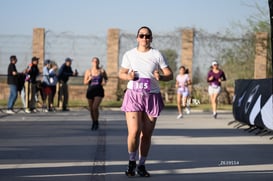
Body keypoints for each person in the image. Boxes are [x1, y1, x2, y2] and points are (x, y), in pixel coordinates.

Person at [119, 26, 173, 177]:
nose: (144, 38)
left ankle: (141, 165)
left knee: (146, 135)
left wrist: (161, 77)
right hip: (133, 95)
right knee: (134, 131)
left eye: (147, 36)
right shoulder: (129, 54)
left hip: (152, 96)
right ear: (137, 38)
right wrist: (128, 77)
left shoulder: (157, 54)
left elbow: (170, 74)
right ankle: (131, 163)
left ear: (151, 38)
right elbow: (121, 73)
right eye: (141, 36)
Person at [83, 57, 108, 130]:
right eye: (94, 61)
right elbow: (85, 82)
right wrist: (89, 79)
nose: (95, 63)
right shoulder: (88, 71)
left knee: (95, 107)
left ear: (98, 62)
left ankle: (96, 122)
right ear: (91, 62)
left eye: (96, 61)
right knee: (91, 109)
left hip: (99, 90)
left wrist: (103, 78)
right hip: (90, 90)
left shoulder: (102, 71)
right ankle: (94, 122)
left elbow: (106, 79)